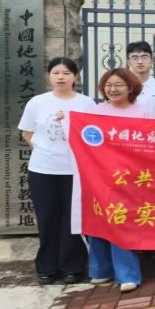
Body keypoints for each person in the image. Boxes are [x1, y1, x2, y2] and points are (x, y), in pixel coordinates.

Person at [18, 57, 96, 285]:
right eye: (56, 73)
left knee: (72, 219)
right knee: (47, 218)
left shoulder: (86, 103)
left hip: (75, 171)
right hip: (42, 170)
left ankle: (73, 267)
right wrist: (44, 150)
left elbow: (93, 134)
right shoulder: (37, 102)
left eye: (66, 73)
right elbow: (26, 132)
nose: (61, 77)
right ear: (49, 76)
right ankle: (47, 267)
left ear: (75, 77)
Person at [86, 68, 153, 292]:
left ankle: (127, 274)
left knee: (121, 222)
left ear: (131, 87)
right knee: (98, 221)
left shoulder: (143, 113)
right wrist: (64, 120)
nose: (112, 89)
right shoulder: (96, 112)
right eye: (108, 85)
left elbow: (151, 147)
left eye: (118, 85)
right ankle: (101, 270)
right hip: (100, 176)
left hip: (130, 178)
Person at [127, 41, 155, 115]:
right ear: (128, 62)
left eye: (144, 57)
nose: (140, 62)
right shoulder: (123, 87)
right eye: (135, 58)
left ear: (152, 61)